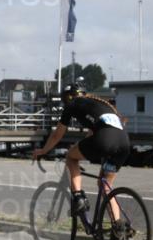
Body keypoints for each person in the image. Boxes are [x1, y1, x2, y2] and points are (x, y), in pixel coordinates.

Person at [31, 81, 130, 218]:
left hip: (104, 140)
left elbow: (56, 135)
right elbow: (93, 133)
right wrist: (79, 146)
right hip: (124, 144)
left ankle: (78, 198)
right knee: (106, 188)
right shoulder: (100, 104)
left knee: (71, 157)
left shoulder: (72, 104)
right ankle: (119, 228)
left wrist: (43, 151)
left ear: (68, 97)